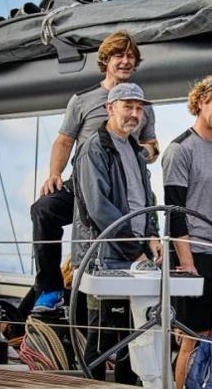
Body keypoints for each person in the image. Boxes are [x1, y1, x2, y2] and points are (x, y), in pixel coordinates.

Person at [30, 31, 159, 312]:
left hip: (119, 184)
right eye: (119, 56)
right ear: (105, 61)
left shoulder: (141, 105)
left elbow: (152, 146)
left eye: (131, 57)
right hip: (83, 182)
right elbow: (64, 140)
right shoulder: (83, 100)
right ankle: (51, 288)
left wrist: (138, 152)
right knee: (43, 209)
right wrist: (54, 173)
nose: (125, 61)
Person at [72, 83, 162, 385]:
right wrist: (133, 250)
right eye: (128, 106)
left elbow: (147, 199)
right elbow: (99, 208)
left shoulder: (136, 150)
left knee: (135, 335)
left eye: (139, 108)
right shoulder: (94, 147)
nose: (135, 114)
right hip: (105, 258)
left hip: (136, 255)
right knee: (104, 336)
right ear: (110, 108)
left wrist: (152, 234)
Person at [161, 75, 212, 389]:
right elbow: (175, 214)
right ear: (201, 102)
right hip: (191, 257)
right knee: (191, 337)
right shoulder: (180, 149)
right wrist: (187, 265)